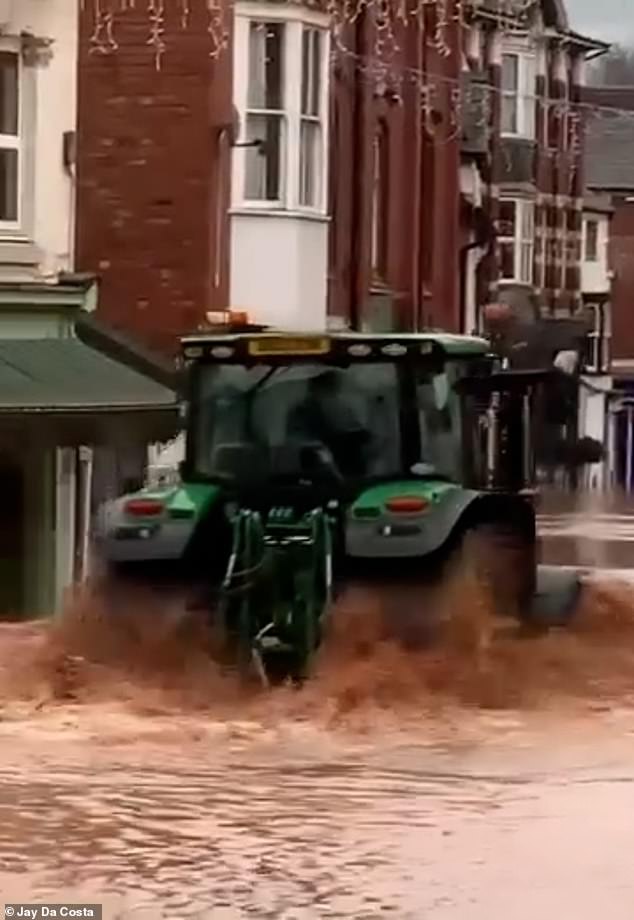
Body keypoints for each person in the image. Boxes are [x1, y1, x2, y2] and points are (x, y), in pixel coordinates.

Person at [288, 370, 370, 477]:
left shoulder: (342, 408)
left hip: (347, 469)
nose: (333, 390)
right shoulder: (302, 411)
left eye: (333, 385)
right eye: (329, 385)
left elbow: (355, 430)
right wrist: (320, 445)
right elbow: (295, 438)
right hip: (319, 471)